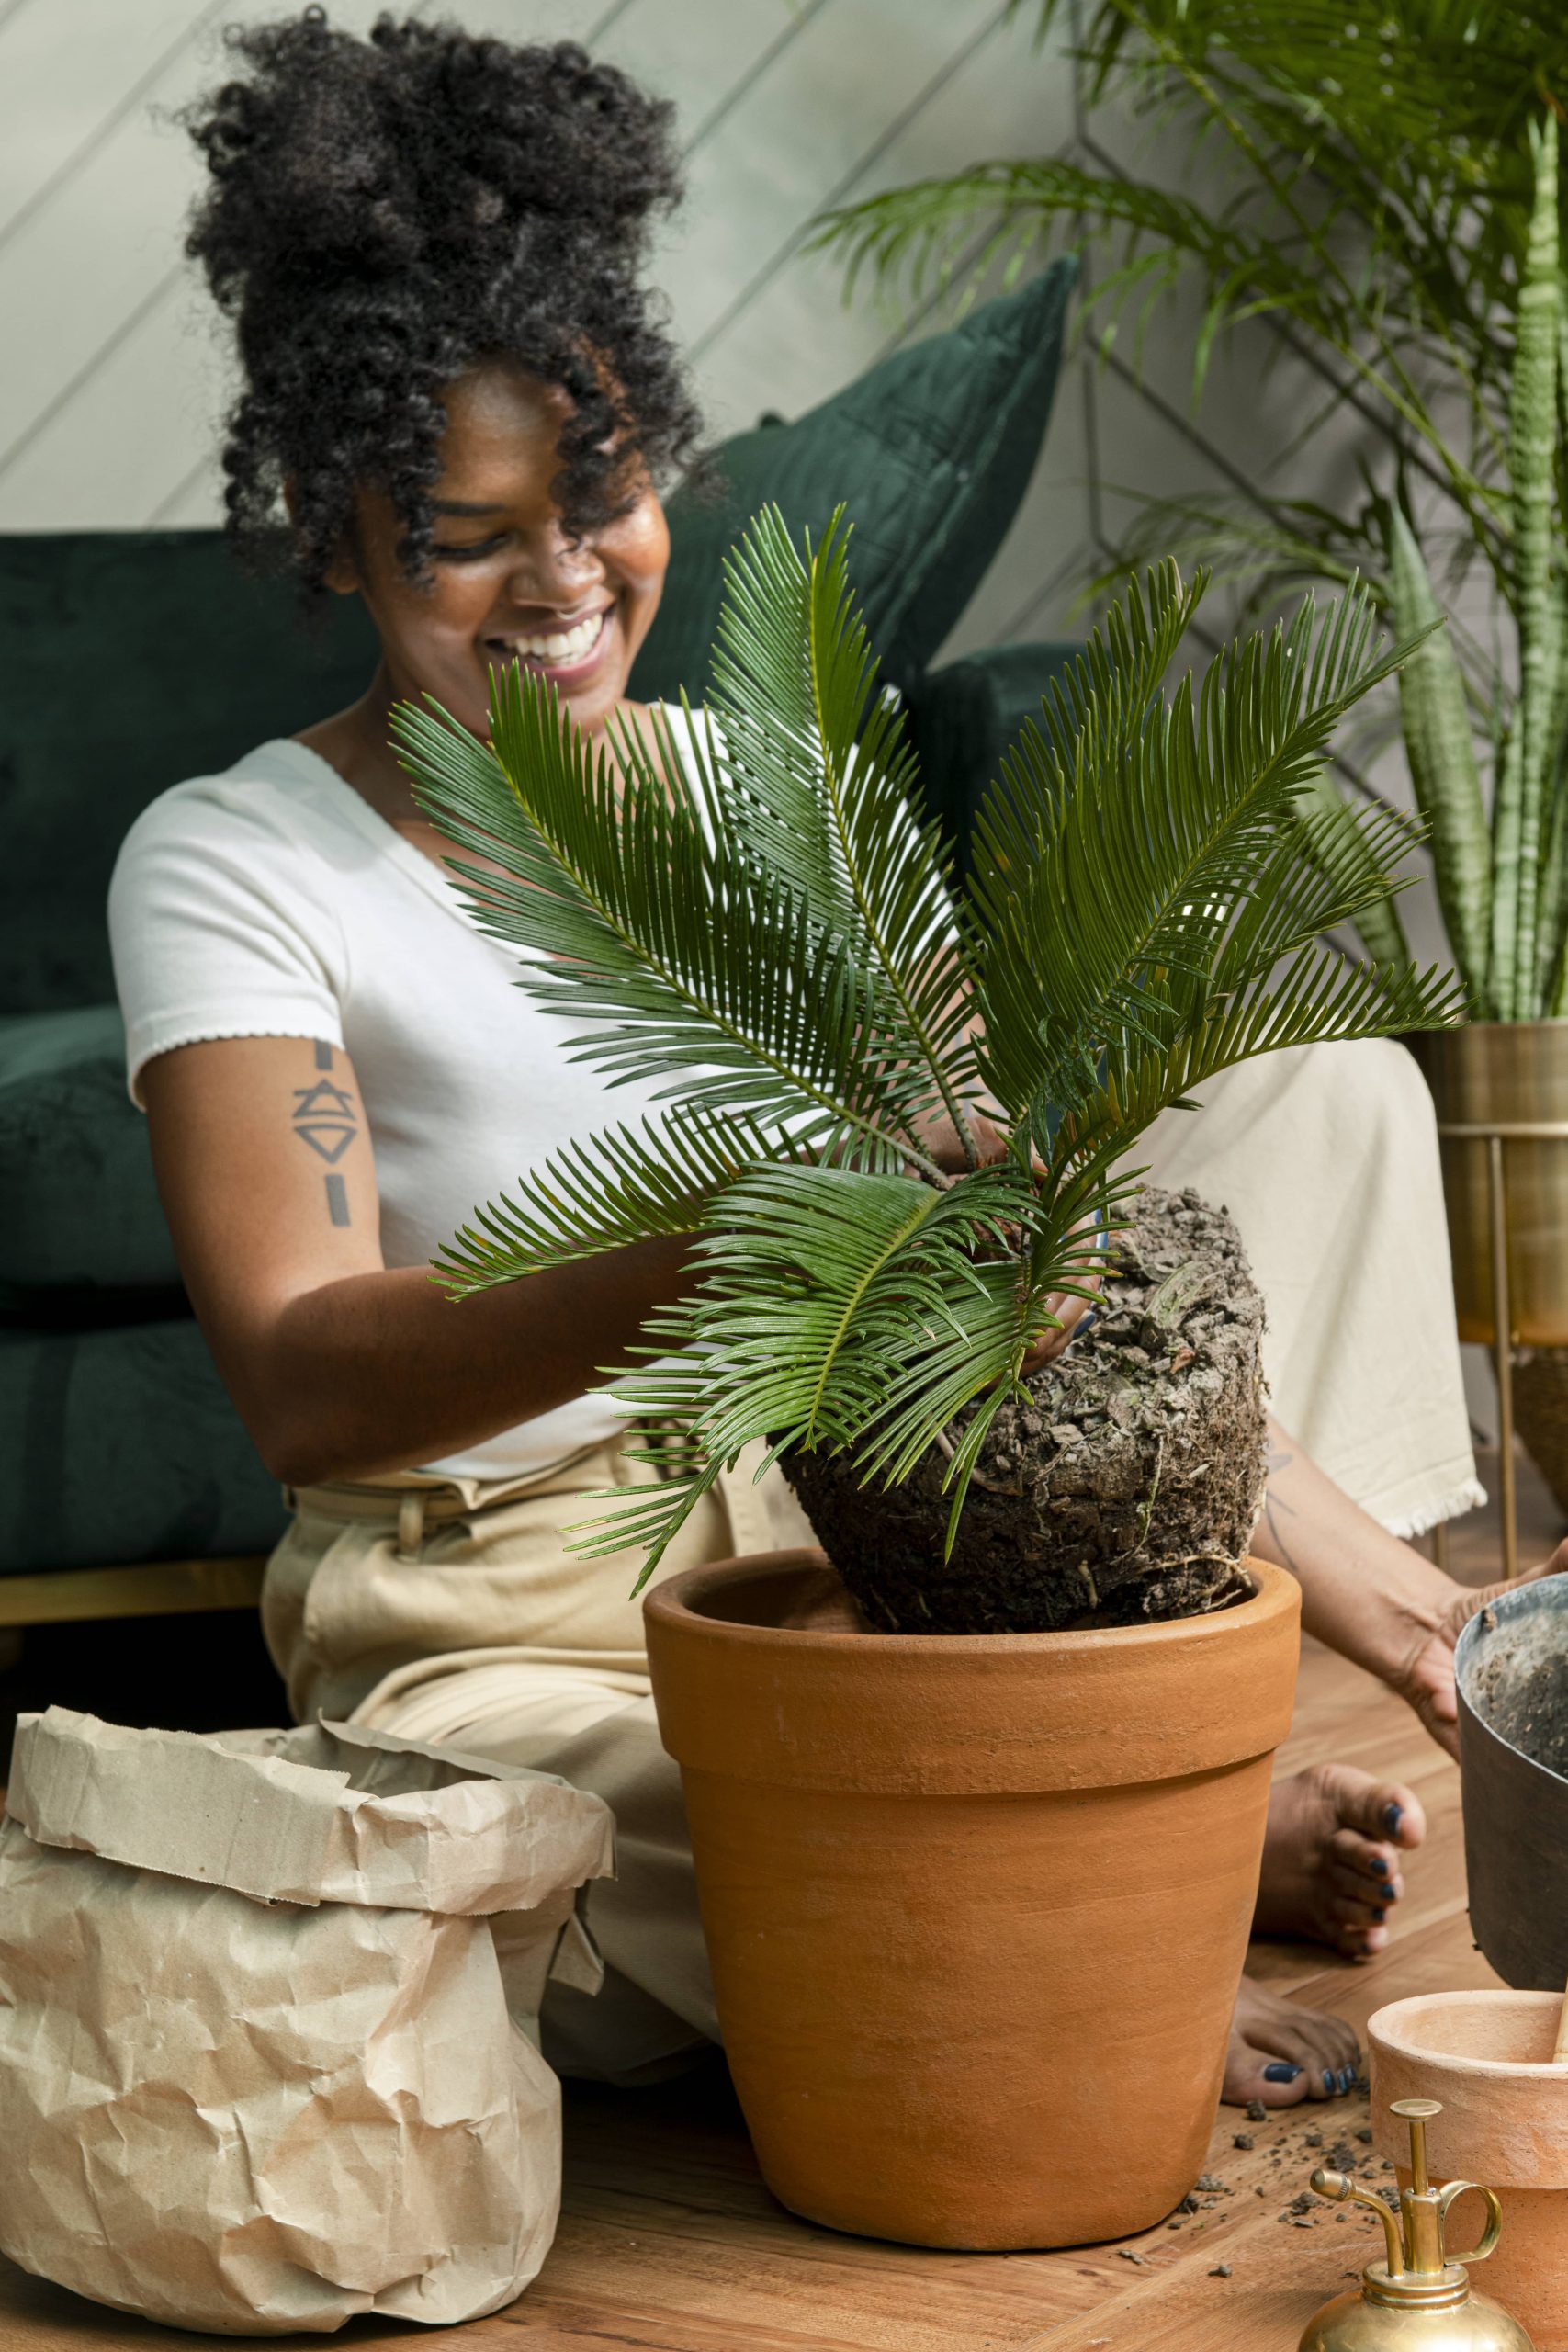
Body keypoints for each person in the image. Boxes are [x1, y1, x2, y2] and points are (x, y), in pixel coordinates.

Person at [108, 11, 1548, 2116]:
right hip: (513, 1609)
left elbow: (1036, 1272)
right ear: (338, 537)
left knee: (1312, 1100)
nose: (563, 579)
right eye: (466, 530)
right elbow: (304, 1374)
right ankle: (1117, 1853)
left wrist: (1433, 1630)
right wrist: (733, 1239)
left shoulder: (763, 788)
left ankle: (1109, 1787)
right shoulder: (237, 860)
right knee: (550, 1830)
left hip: (865, 1521)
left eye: (598, 491)